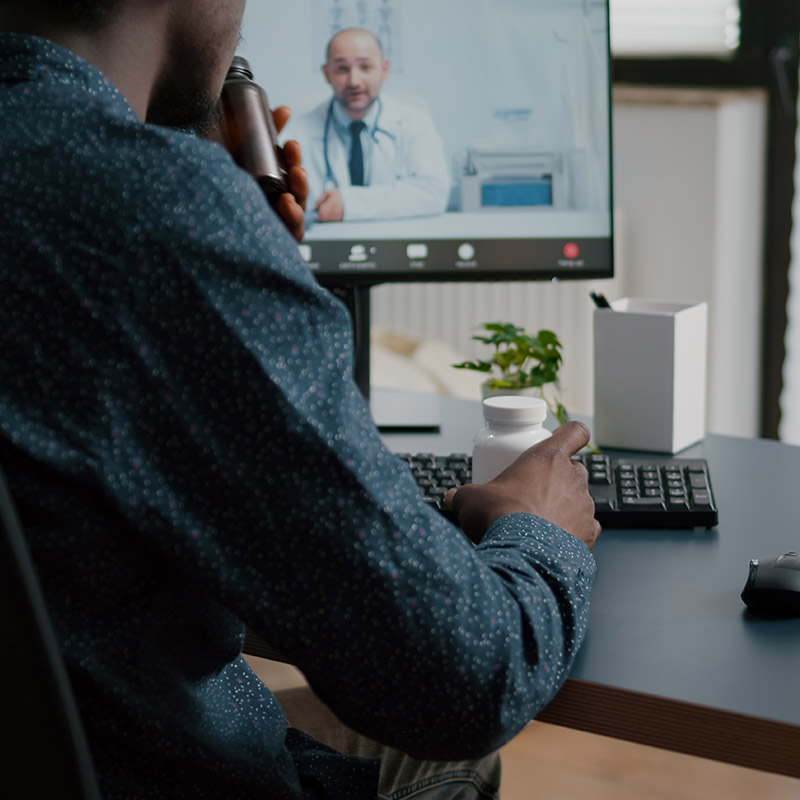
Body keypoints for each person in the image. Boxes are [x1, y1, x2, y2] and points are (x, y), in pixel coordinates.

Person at [0, 2, 600, 799]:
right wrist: (540, 530)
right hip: (163, 772)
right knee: (453, 757)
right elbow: (463, 679)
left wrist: (231, 255)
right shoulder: (156, 206)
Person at [282, 27, 451, 223]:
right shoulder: (297, 131)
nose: (354, 81)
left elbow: (433, 193)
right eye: (342, 69)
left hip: (394, 245)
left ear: (384, 70)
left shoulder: (414, 123)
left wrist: (349, 203)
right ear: (327, 73)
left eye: (365, 67)